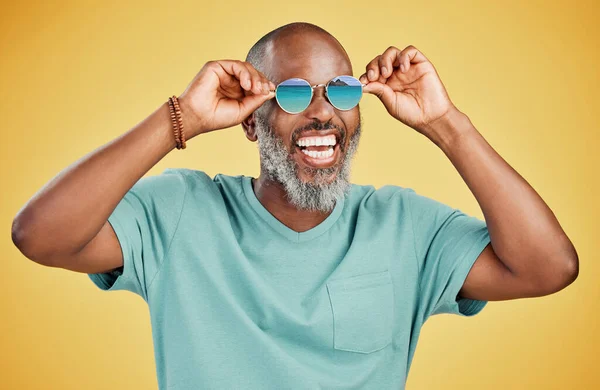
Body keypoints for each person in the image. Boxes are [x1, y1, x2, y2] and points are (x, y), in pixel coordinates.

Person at [11, 22, 579, 389]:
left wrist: (445, 125)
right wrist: (178, 118)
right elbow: (40, 236)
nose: (323, 113)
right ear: (252, 123)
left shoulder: (405, 227)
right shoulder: (180, 210)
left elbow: (549, 267)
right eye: (292, 93)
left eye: (341, 90)